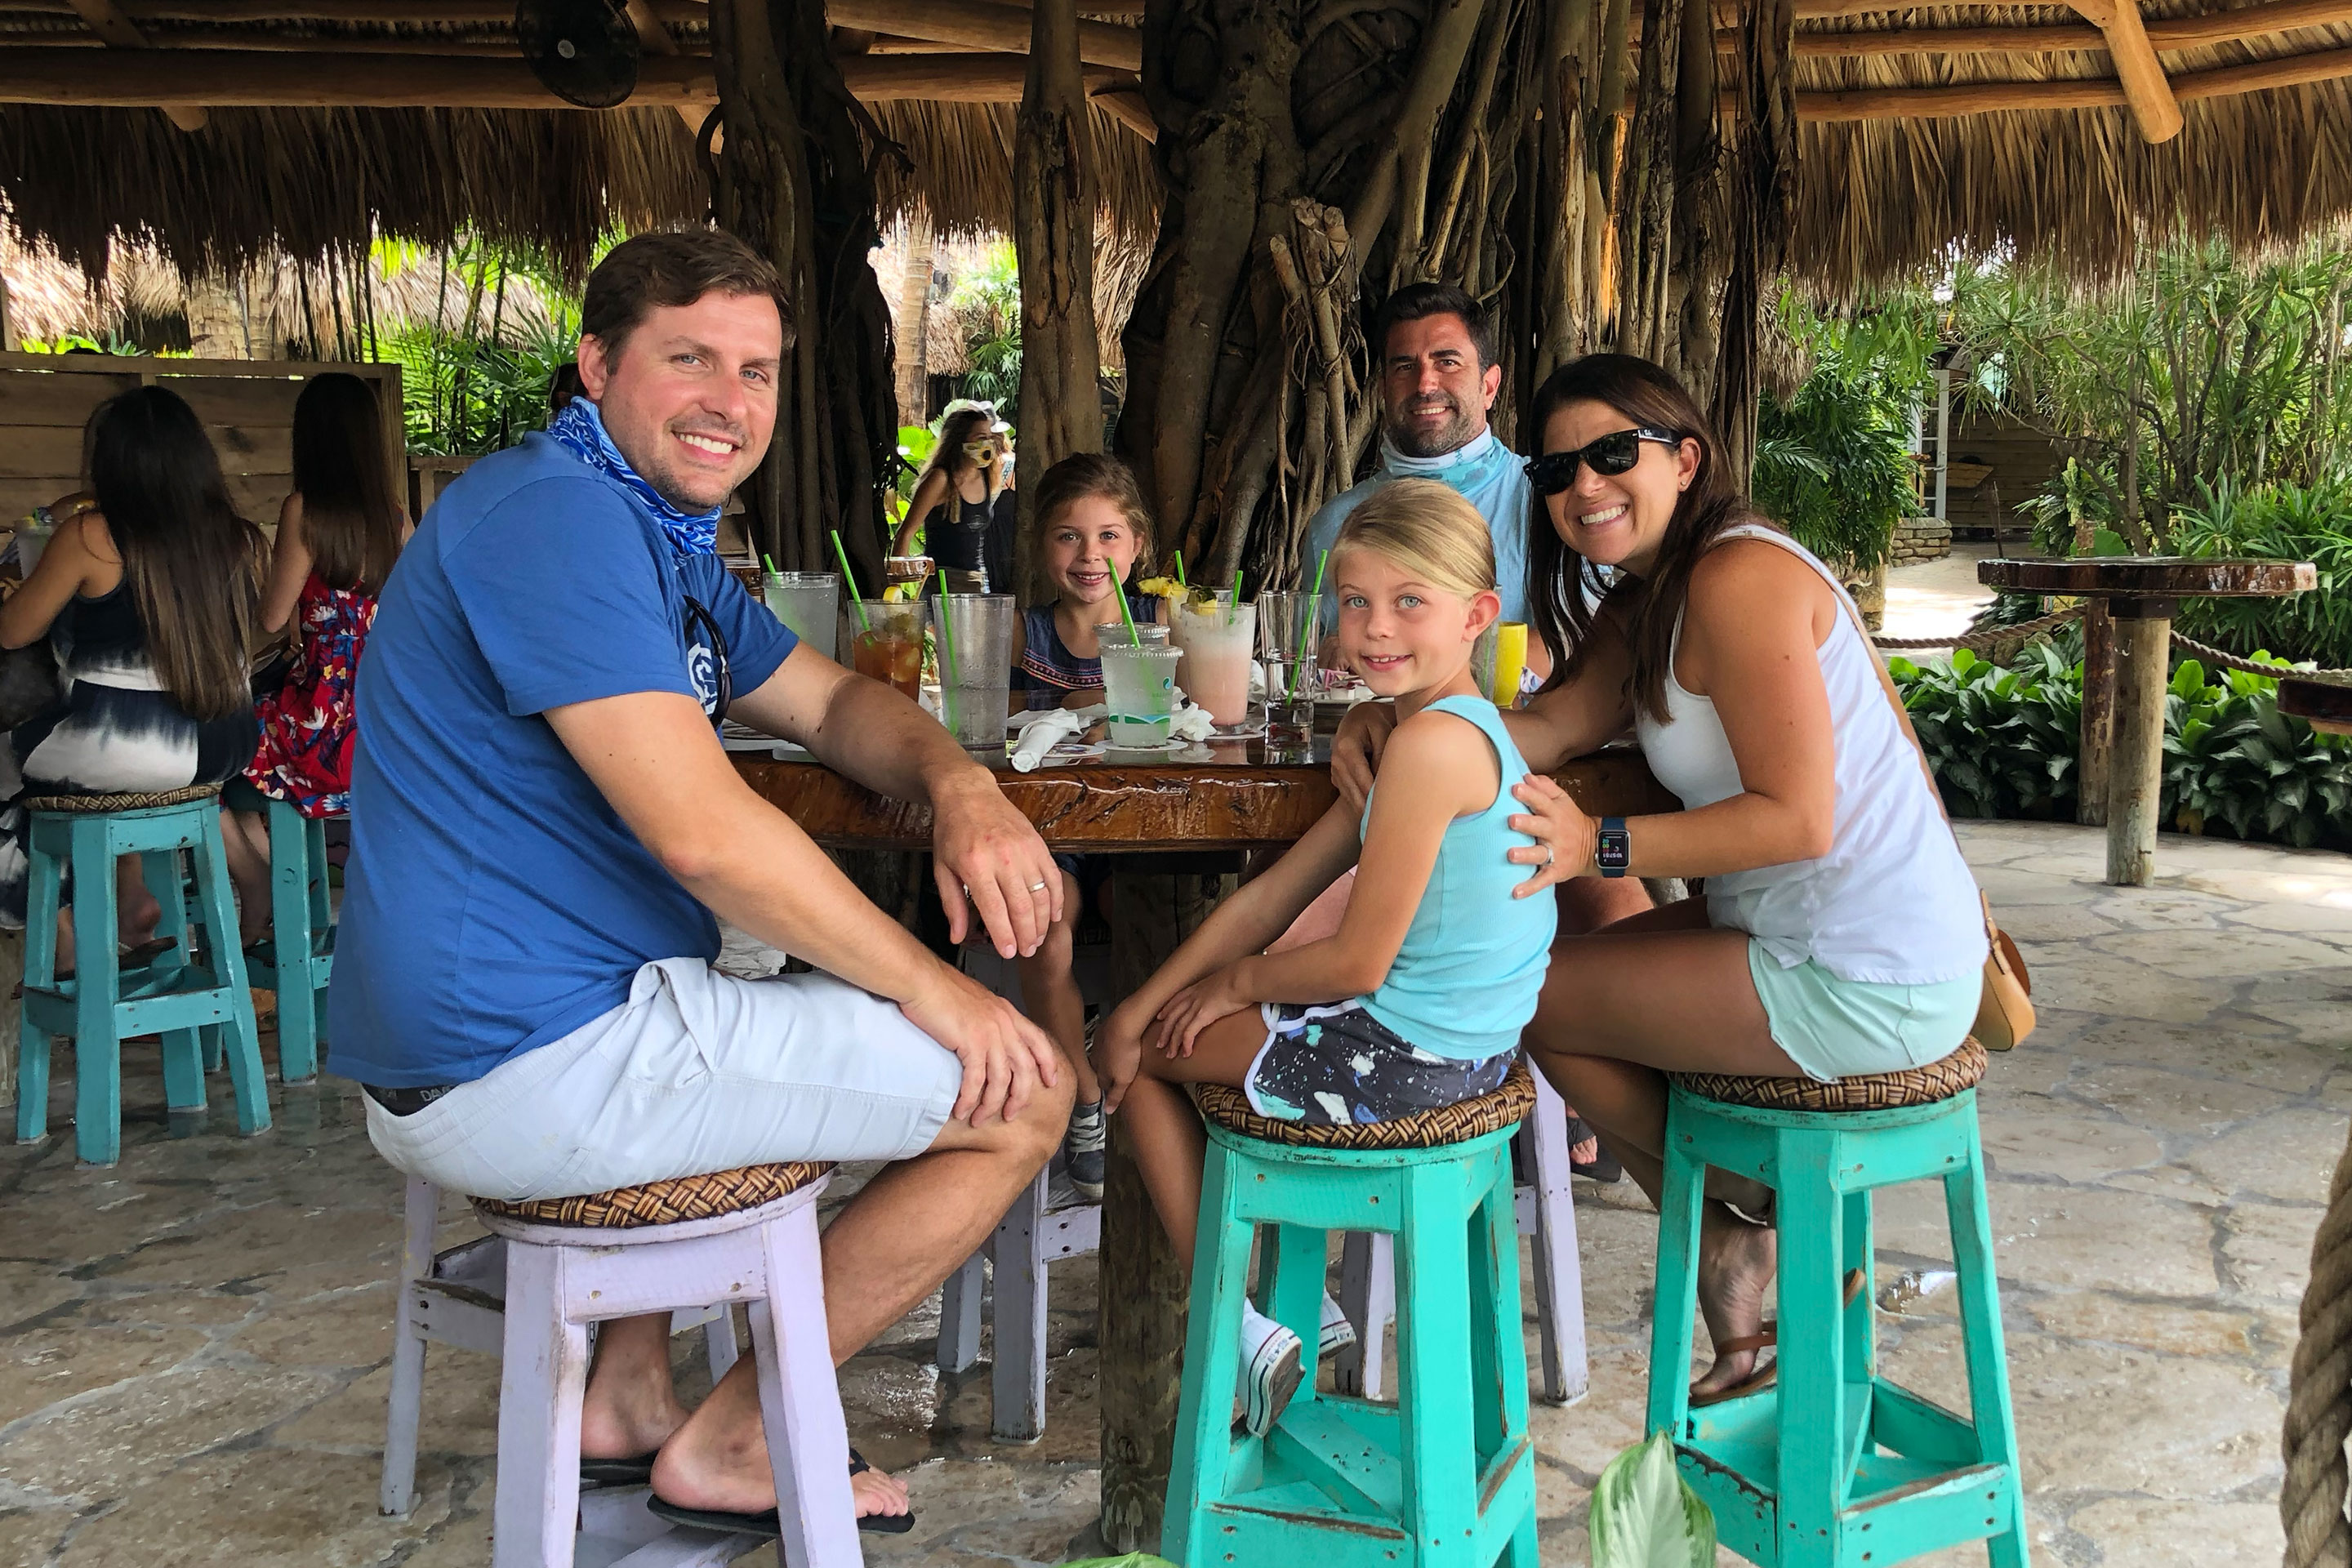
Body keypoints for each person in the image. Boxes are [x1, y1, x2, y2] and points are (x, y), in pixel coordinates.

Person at [329, 229, 1074, 1535]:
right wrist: (940, 998)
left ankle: (624, 1401)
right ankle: (735, 1438)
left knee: (737, 987)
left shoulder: (649, 534)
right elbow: (705, 839)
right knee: (1025, 1096)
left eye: (759, 370)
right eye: (690, 360)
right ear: (598, 364)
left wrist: (963, 787)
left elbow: (836, 700)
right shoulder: (551, 518)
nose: (731, 401)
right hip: (528, 1058)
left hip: (523, 1037)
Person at [1352, 353, 1988, 1406]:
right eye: (1556, 473)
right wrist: (1406, 712)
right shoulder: (1646, 600)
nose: (1583, 488)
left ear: (1685, 459)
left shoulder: (1739, 579)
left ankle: (1758, 1217)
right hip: (1797, 941)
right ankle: (1747, 1233)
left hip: (1871, 968)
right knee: (1548, 995)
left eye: (1612, 455)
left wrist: (1601, 847)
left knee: (1541, 1004)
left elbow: (1799, 818)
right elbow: (1547, 727)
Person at [1095, 479, 1557, 1436]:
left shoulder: (1428, 750)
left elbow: (1352, 966)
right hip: (1465, 1052)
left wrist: (1220, 988)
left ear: (1478, 616)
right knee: (1136, 1028)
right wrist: (1151, 998)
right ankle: (1290, 1298)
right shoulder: (1447, 733)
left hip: (1409, 1063)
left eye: (1408, 603)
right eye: (1356, 603)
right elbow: (1276, 894)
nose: (1376, 629)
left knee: (1127, 1061)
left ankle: (1241, 1328)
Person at [1308, 283, 1646, 1170]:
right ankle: (1380, 1055)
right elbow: (1335, 661)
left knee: (1587, 877)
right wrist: (1372, 712)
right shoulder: (1339, 523)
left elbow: (1598, 637)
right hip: (1407, 765)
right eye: (1405, 365)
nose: (1426, 381)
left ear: (1490, 382)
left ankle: (1623, 1101)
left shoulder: (1550, 492)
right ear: (1380, 387)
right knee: (1313, 859)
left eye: (1448, 360)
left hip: (1541, 756)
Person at [0, 387, 265, 969]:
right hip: (225, 743)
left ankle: (71, 947)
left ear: (110, 464)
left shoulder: (90, 536)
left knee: (21, 773)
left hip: (127, 749)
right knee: (69, 776)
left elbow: (14, 632)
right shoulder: (239, 538)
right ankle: (132, 898)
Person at [1003, 453, 1158, 1199]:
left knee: (1148, 912)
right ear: (1041, 546)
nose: (1089, 556)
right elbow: (995, 725)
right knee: (1049, 923)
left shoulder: (1163, 628)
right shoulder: (1021, 634)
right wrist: (1080, 703)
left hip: (1149, 829)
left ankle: (1146, 1074)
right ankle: (1086, 1101)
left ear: (1138, 547)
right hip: (1051, 830)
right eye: (1068, 538)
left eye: (1108, 537)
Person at [221, 372, 408, 942]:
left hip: (321, 724)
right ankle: (291, 876)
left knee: (216, 754)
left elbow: (273, 618)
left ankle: (272, 881)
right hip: (384, 727)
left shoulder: (305, 510)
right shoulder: (394, 516)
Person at [893, 400, 1006, 593]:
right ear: (960, 440)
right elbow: (906, 533)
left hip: (978, 582)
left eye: (989, 437)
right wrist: (895, 589)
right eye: (980, 437)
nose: (987, 444)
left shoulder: (986, 476)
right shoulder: (941, 479)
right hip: (943, 584)